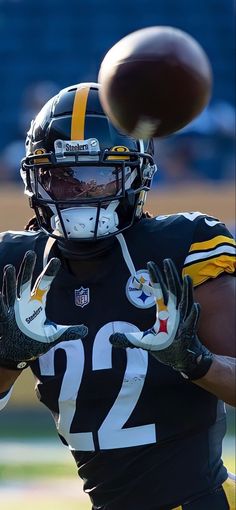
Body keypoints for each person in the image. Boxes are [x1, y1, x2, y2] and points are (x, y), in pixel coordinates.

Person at [0, 82, 235, 510]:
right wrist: (5, 357)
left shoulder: (183, 247)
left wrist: (195, 361)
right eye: (61, 177)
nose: (78, 193)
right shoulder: (16, 265)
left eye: (96, 176)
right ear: (34, 178)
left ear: (136, 175)